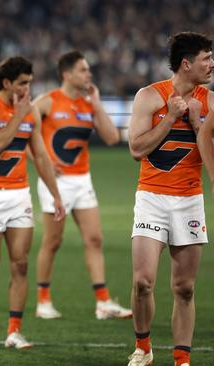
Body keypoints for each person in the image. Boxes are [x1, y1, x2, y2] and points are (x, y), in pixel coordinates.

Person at [126, 31, 214, 366]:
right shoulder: (150, 97)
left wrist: (197, 124)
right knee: (143, 282)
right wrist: (170, 117)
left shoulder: (212, 102)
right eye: (207, 58)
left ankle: (182, 360)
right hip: (151, 197)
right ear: (186, 63)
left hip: (190, 200)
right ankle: (143, 347)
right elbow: (136, 149)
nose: (212, 64)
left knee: (185, 288)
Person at [0, 56, 64, 349]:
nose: (28, 88)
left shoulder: (30, 113)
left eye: (30, 82)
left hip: (19, 194)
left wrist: (56, 195)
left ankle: (14, 331)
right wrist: (18, 115)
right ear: (7, 83)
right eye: (23, 82)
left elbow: (42, 156)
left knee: (20, 265)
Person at [32, 50, 132, 320]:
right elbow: (23, 133)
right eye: (83, 70)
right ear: (67, 74)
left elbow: (112, 138)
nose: (88, 74)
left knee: (95, 239)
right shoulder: (47, 102)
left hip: (82, 179)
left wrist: (97, 105)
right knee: (53, 241)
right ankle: (43, 300)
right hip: (56, 183)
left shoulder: (89, 105)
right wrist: (40, 161)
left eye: (88, 70)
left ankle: (103, 302)